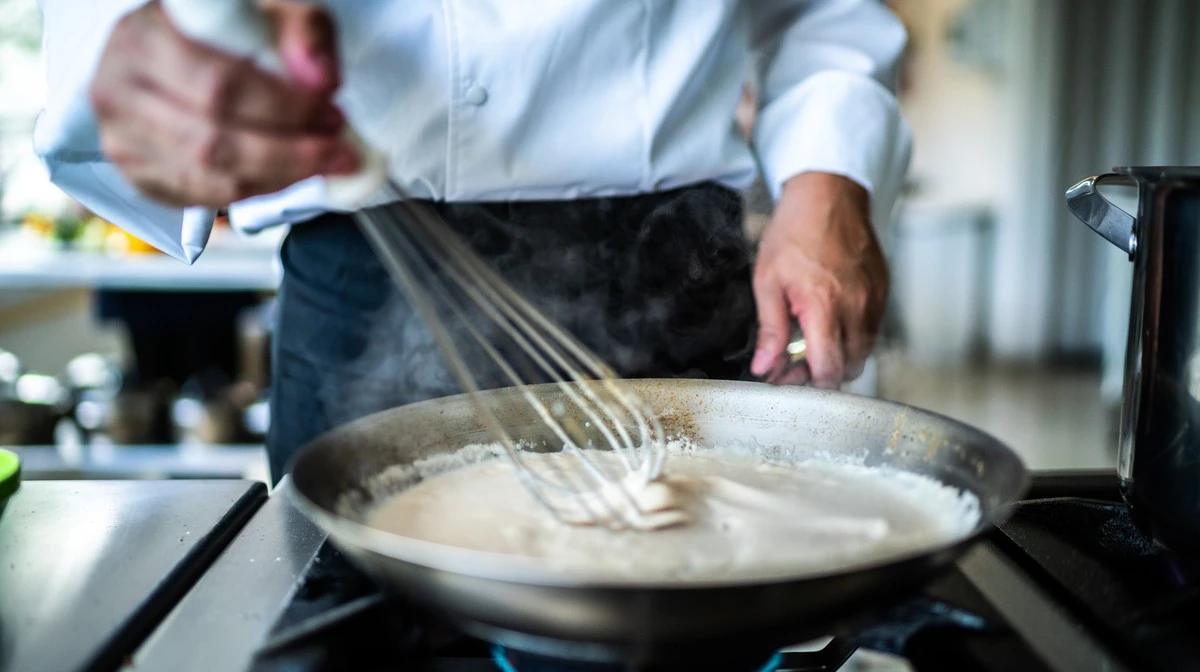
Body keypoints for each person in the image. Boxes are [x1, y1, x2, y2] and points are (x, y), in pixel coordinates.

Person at [35, 0, 911, 482]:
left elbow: (823, 13)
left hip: (672, 277)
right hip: (367, 285)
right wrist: (134, 42)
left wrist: (829, 175)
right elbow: (126, 28)